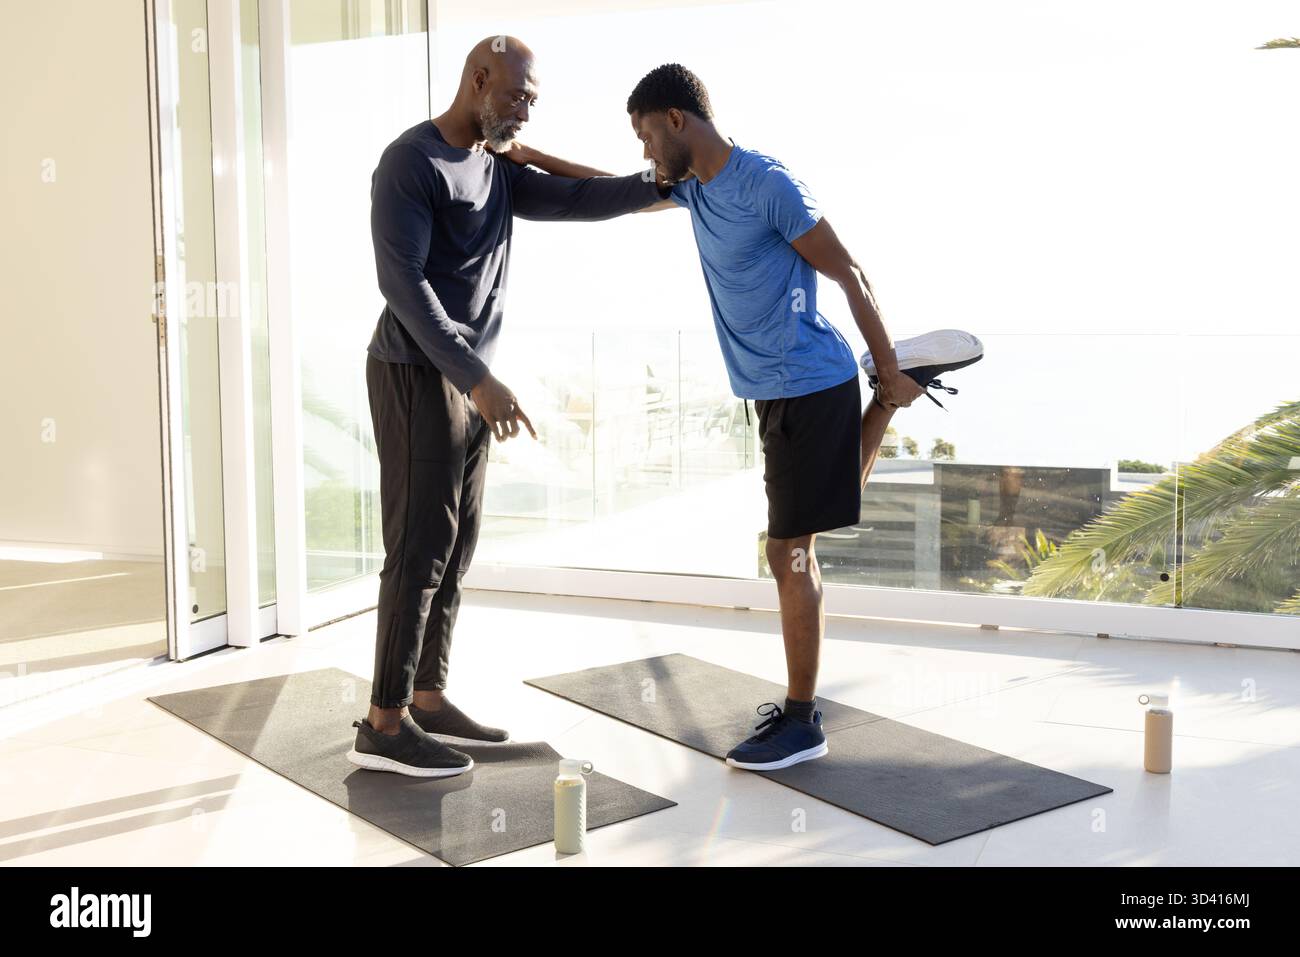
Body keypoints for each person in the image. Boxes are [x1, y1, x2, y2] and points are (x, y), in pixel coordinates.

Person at [510, 62, 984, 772]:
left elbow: (848, 272)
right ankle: (887, 400)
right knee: (806, 528)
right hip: (777, 390)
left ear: (677, 119)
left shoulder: (767, 182)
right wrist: (530, 157)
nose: (643, 152)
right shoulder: (692, 188)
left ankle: (802, 720)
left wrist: (883, 363)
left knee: (790, 551)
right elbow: (601, 186)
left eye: (645, 134)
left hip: (807, 379)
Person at [347, 36, 673, 778]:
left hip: (467, 380)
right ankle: (383, 723)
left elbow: (594, 198)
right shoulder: (412, 163)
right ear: (478, 79)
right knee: (419, 549)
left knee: (455, 549)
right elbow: (402, 284)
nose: (524, 109)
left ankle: (428, 700)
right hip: (415, 371)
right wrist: (475, 378)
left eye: (532, 101)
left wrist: (636, 180)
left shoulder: (499, 170)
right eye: (518, 95)